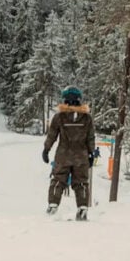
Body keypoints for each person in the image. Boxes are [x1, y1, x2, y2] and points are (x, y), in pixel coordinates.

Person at [43, 86, 95, 220]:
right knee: (81, 182)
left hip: (63, 155)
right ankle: (82, 209)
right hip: (81, 156)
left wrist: (46, 149)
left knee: (58, 180)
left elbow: (52, 135)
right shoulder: (86, 118)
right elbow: (90, 137)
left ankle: (53, 206)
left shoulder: (59, 117)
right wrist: (91, 153)